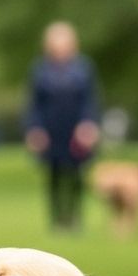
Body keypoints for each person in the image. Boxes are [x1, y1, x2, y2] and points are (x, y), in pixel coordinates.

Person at [24, 21, 101, 232]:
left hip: (76, 130)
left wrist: (88, 125)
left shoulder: (83, 69)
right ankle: (57, 219)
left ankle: (75, 217)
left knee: (77, 175)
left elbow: (90, 101)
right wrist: (35, 129)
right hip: (51, 130)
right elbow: (34, 104)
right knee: (54, 176)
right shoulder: (41, 70)